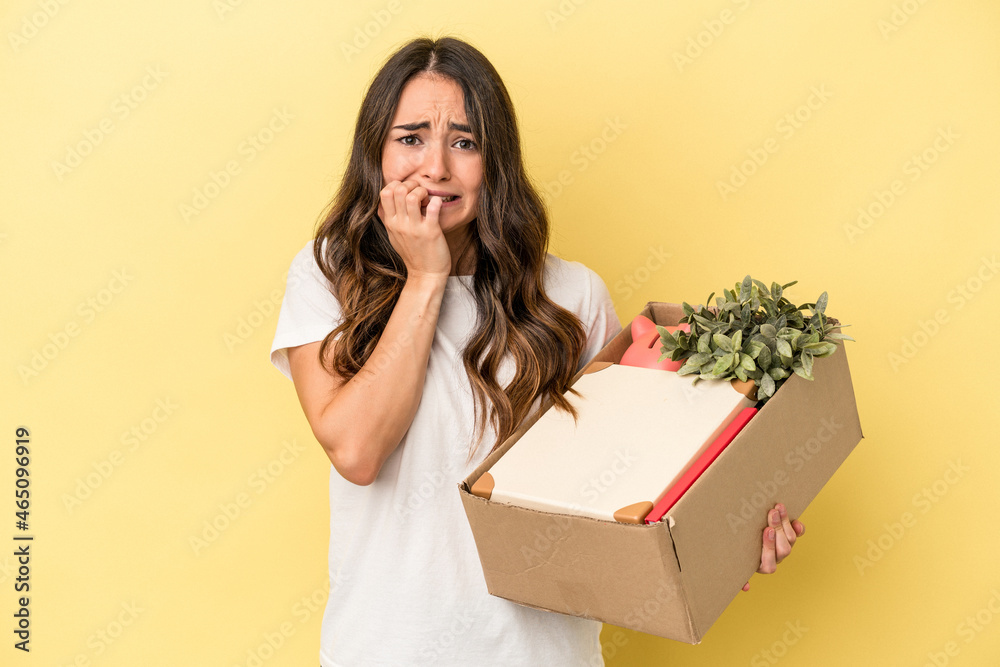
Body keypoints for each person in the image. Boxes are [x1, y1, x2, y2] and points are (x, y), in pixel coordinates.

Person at [269, 36, 803, 667]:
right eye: (411, 138)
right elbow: (356, 451)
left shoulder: (572, 295)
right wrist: (425, 277)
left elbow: (621, 489)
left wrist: (725, 541)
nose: (436, 167)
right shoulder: (330, 274)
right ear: (375, 156)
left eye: (464, 142)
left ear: (497, 161)